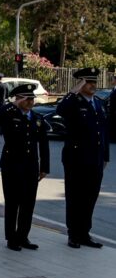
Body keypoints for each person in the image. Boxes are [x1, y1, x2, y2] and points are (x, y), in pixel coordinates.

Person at [0, 84, 50, 251]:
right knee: (12, 203)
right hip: (12, 165)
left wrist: (44, 167)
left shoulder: (37, 118)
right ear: (18, 99)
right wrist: (12, 104)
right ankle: (12, 238)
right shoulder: (9, 114)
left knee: (28, 203)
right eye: (26, 99)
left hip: (31, 166)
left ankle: (23, 236)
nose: (30, 102)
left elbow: (44, 144)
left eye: (32, 99)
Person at [56, 67, 109, 249]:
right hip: (76, 158)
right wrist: (74, 91)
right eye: (88, 82)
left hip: (95, 158)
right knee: (75, 197)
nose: (93, 85)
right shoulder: (73, 102)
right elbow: (61, 109)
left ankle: (85, 233)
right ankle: (73, 234)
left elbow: (103, 131)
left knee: (90, 197)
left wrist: (106, 155)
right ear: (80, 83)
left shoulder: (99, 103)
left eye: (94, 81)